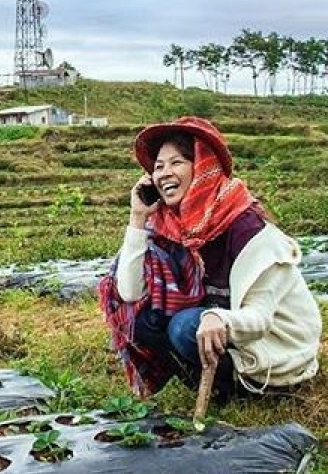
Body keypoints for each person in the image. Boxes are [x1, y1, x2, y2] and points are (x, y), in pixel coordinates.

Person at [99, 116, 322, 399]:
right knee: (144, 320)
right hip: (226, 334)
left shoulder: (249, 230)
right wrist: (137, 218)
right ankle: (219, 388)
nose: (165, 173)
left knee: (184, 326)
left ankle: (246, 390)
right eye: (158, 167)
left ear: (203, 168)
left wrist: (217, 317)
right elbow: (130, 292)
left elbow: (260, 319)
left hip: (274, 354)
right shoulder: (170, 230)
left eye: (176, 162)